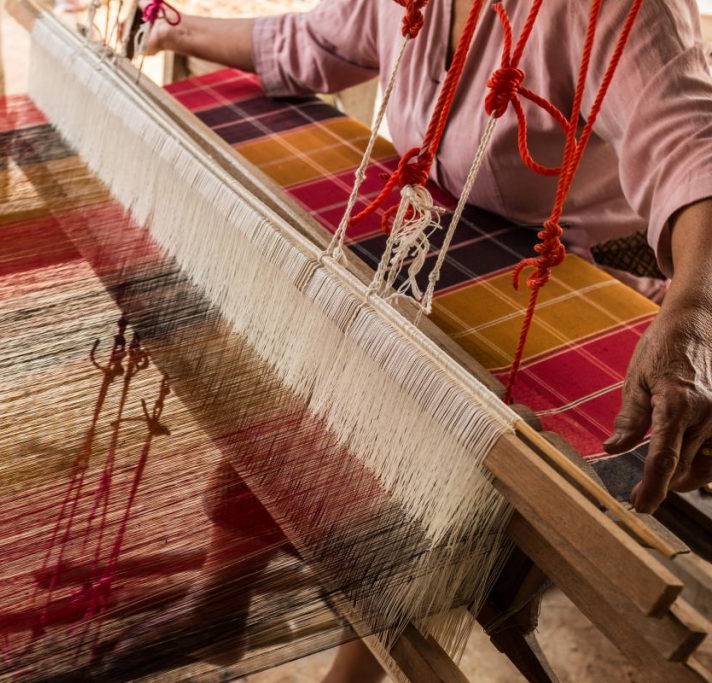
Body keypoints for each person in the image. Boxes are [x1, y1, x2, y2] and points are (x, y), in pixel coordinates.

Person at [130, 1, 712, 680]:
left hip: (581, 298)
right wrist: (172, 28)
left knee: (399, 432)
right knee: (299, 350)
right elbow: (314, 41)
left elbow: (692, 150)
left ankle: (353, 669)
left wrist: (696, 310)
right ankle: (221, 600)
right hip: (451, 252)